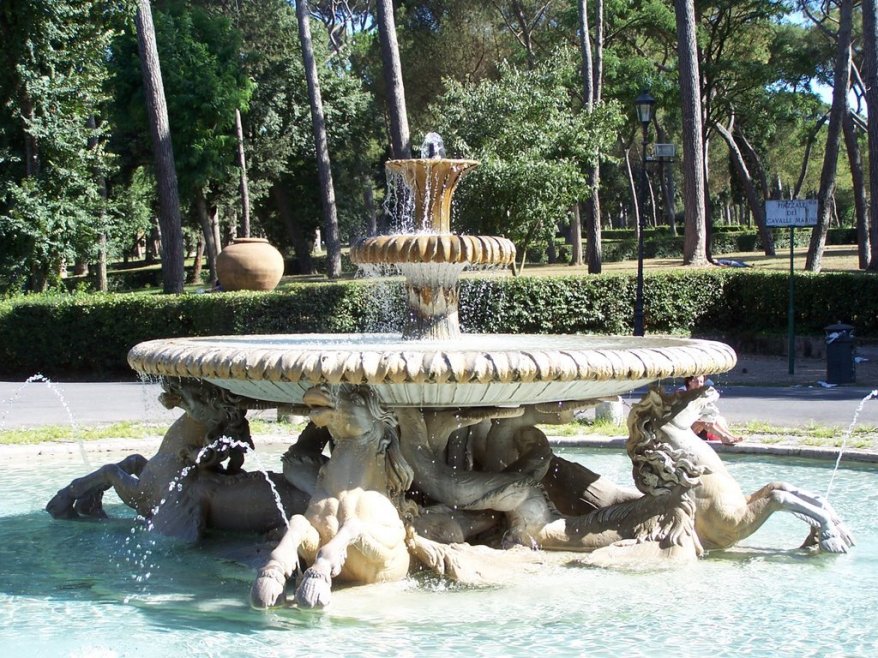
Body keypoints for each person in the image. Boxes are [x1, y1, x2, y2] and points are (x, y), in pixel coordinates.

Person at [682, 374, 742, 445]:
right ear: (689, 382)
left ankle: (731, 436)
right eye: (696, 381)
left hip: (697, 426)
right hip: (685, 427)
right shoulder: (682, 393)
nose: (699, 384)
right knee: (704, 421)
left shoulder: (699, 393)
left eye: (701, 382)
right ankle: (724, 437)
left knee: (714, 419)